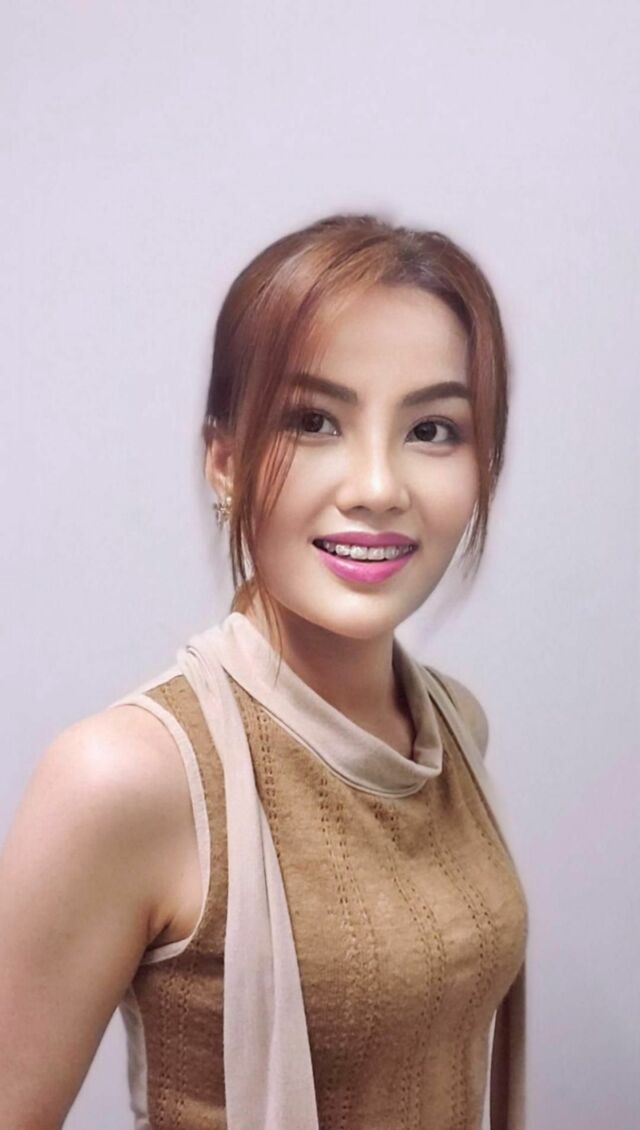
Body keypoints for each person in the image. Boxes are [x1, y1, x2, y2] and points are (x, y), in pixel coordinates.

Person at [0, 212, 528, 1129]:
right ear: (226, 461)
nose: (377, 487)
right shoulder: (127, 777)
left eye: (432, 429)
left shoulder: (456, 727)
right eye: (314, 422)